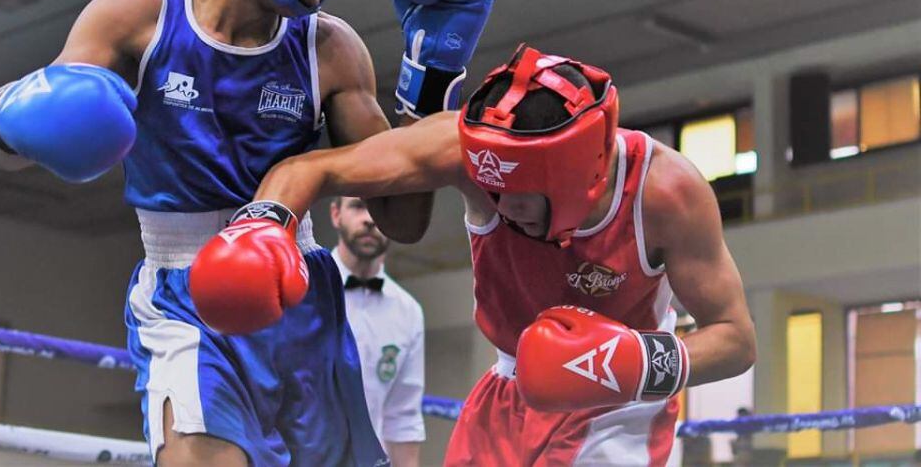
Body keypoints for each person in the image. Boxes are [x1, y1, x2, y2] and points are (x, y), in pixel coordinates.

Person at [0, 0, 493, 467]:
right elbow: (12, 150)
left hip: (302, 295)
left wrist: (431, 87)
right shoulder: (136, 19)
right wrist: (7, 117)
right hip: (186, 295)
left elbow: (404, 219)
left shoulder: (329, 49)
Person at [202, 43, 757, 466]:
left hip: (617, 410)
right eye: (492, 187)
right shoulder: (469, 151)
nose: (502, 205)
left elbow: (735, 340)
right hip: (505, 392)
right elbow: (312, 169)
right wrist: (264, 225)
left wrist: (626, 363)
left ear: (578, 174)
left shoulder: (667, 192)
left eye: (520, 192)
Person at [330, 196, 426, 467]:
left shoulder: (408, 311)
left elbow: (403, 417)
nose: (370, 219)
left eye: (382, 209)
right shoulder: (305, 291)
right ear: (336, 214)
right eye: (359, 206)